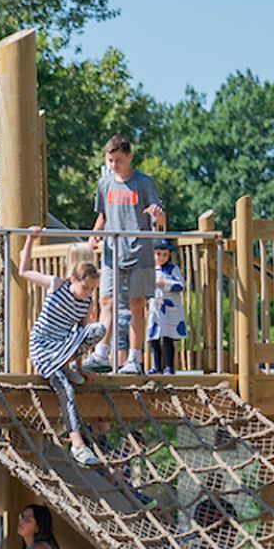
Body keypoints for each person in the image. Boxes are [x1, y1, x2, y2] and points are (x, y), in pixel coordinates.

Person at [18, 227, 106, 466]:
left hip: (64, 348)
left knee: (98, 328)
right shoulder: (57, 285)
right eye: (85, 287)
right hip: (44, 348)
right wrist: (30, 240)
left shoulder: (86, 301)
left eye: (92, 289)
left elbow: (81, 332)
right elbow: (23, 270)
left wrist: (80, 367)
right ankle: (78, 445)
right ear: (73, 280)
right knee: (65, 389)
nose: (88, 293)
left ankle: (69, 369)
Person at [84, 134, 165, 375]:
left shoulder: (144, 183)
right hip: (112, 251)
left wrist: (157, 214)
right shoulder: (105, 184)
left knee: (136, 304)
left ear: (129, 156)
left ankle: (134, 359)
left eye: (118, 160)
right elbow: (103, 214)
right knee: (106, 300)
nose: (114, 165)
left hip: (139, 251)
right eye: (110, 160)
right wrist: (94, 234)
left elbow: (160, 217)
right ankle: (101, 354)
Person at [147, 241, 186, 374]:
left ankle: (169, 366)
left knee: (167, 337)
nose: (161, 257)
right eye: (158, 254)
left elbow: (180, 285)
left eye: (165, 254)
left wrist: (165, 283)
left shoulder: (172, 269)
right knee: (154, 338)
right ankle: (157, 366)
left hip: (169, 309)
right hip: (155, 309)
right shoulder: (150, 269)